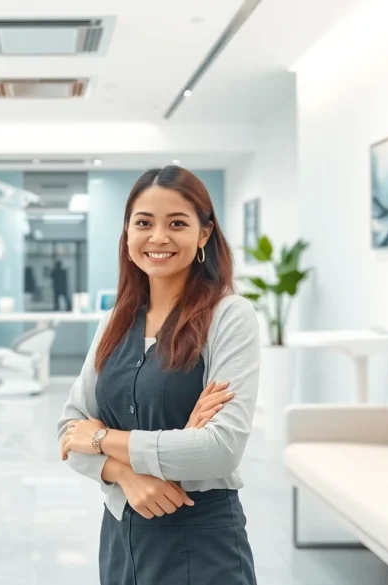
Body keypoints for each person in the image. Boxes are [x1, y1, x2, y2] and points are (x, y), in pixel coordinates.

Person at [57, 166, 259, 585]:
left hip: (200, 539)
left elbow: (220, 449)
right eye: (144, 223)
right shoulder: (116, 321)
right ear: (127, 232)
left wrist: (101, 438)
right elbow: (68, 430)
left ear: (204, 234)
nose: (159, 237)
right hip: (119, 535)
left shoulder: (228, 316)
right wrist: (126, 474)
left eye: (178, 223)